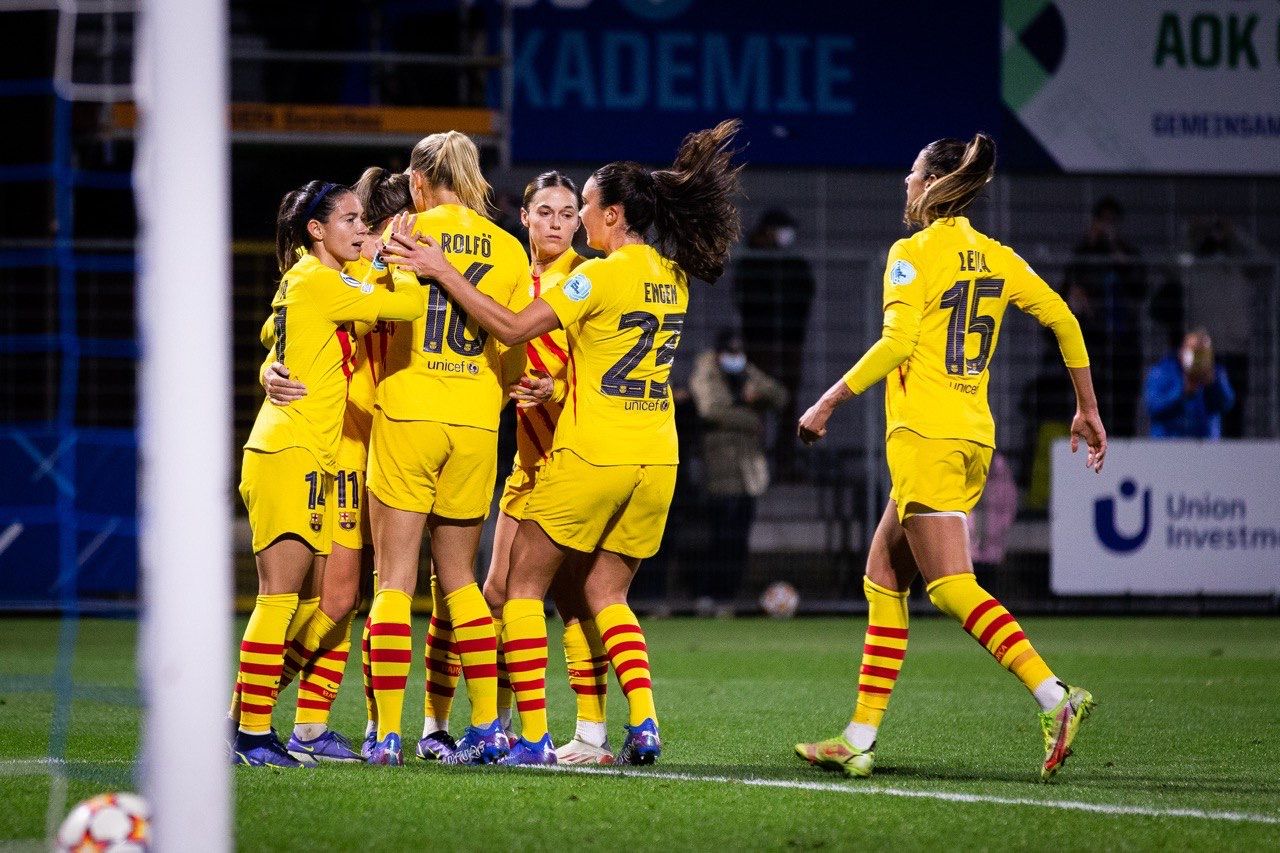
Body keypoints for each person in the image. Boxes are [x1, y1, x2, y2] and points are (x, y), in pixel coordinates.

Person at [384, 119, 744, 766]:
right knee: (590, 596)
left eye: (575, 209)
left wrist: (440, 271)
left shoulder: (587, 277)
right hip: (646, 456)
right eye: (548, 211)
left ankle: (528, 737)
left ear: (605, 215)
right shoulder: (670, 272)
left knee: (527, 593)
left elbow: (522, 330)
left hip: (582, 455)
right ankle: (622, 727)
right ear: (524, 216)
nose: (565, 221)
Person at [793, 132, 1107, 782]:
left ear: (934, 184)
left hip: (925, 436)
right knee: (884, 573)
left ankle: (1055, 695)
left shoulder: (911, 254)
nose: (905, 184)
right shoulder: (996, 256)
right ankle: (857, 735)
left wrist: (828, 400)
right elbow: (1066, 323)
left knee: (950, 585)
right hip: (973, 436)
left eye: (912, 174)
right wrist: (1088, 408)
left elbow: (896, 342)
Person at [231, 180, 424, 767]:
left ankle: (268, 726)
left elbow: (281, 338)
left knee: (312, 600)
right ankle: (250, 732)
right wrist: (408, 262)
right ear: (317, 230)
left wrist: (271, 366)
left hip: (307, 452)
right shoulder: (319, 280)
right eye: (350, 220)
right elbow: (408, 306)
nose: (362, 230)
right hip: (290, 450)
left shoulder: (312, 282)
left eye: (364, 220)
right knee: (279, 599)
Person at [363, 130, 531, 767]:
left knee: (395, 581)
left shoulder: (403, 234)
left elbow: (364, 310)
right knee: (460, 580)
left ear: (417, 178)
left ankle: (385, 735)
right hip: (476, 419)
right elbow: (513, 348)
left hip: (409, 409)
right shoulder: (510, 250)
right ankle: (487, 726)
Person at [687, 329, 787, 616]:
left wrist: (758, 393)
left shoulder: (746, 371)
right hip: (719, 469)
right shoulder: (706, 370)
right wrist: (751, 418)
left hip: (748, 471)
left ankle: (727, 598)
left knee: (739, 537)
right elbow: (709, 411)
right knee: (718, 535)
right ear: (719, 354)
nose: (735, 358)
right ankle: (707, 595)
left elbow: (780, 395)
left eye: (738, 352)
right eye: (730, 353)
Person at [732, 208, 814, 480]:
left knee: (787, 405)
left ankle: (784, 464)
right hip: (760, 342)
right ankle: (757, 465)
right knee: (757, 402)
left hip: (788, 342)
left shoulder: (792, 264)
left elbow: (806, 291)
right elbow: (745, 300)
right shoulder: (751, 261)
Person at [1063, 196, 1146, 436]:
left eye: (1113, 222)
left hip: (1124, 346)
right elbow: (1068, 290)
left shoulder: (1127, 253)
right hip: (1093, 344)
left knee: (1124, 409)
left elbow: (1140, 289)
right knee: (1092, 402)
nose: (1108, 226)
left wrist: (1120, 256)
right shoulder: (1084, 253)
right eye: (1103, 221)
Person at [1144, 327, 1235, 439]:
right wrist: (1183, 391)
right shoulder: (1162, 371)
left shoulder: (1216, 373)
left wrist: (1212, 386)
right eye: (1194, 351)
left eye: (1202, 352)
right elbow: (1153, 407)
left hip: (1205, 446)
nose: (1198, 357)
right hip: (1168, 445)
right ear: (1182, 350)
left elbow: (1226, 405)